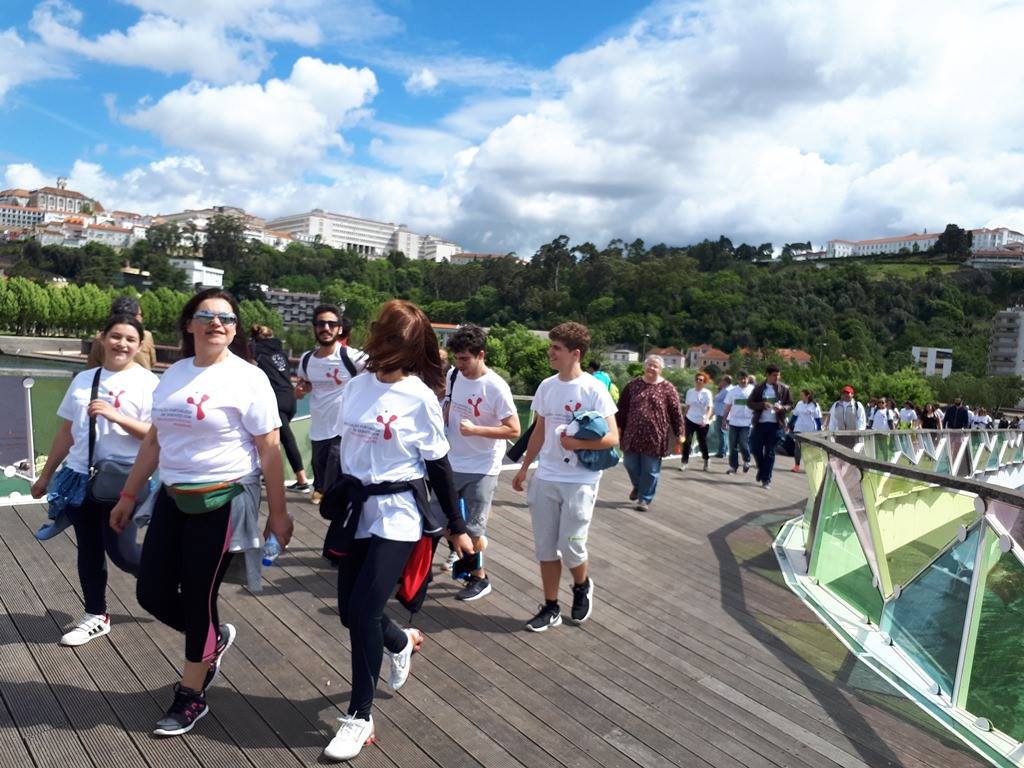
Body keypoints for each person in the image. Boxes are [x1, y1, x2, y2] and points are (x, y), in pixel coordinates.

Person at [109, 288, 293, 738]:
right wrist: (128, 496)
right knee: (151, 592)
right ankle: (212, 638)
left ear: (235, 328)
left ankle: (191, 694)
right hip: (172, 497)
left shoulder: (248, 378)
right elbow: (155, 439)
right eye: (207, 315)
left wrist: (279, 513)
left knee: (197, 595)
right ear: (189, 324)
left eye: (227, 318)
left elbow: (269, 448)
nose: (217, 323)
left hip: (223, 500)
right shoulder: (174, 373)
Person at [323, 300, 472, 762]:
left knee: (365, 610)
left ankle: (360, 717)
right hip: (357, 510)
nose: (391, 348)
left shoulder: (419, 397)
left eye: (401, 342)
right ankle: (401, 641)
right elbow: (340, 446)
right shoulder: (356, 386)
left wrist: (457, 527)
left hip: (398, 513)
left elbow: (439, 465)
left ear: (412, 347)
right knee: (350, 614)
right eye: (387, 337)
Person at [31, 314, 159, 645]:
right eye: (116, 336)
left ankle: (171, 577)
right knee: (88, 548)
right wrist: (45, 476)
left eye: (130, 339)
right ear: (102, 338)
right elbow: (66, 432)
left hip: (124, 479)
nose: (122, 344)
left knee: (123, 554)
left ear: (139, 345)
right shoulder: (84, 379)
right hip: (79, 476)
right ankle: (96, 615)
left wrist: (116, 416)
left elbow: (157, 436)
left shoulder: (149, 383)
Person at [511, 321, 618, 632]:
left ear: (576, 354)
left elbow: (613, 438)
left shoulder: (594, 389)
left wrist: (578, 444)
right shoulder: (546, 387)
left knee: (571, 546)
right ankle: (551, 606)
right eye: (551, 347)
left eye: (556, 348)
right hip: (546, 476)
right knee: (545, 547)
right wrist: (524, 468)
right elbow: (538, 432)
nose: (551, 353)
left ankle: (582, 585)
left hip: (580, 481)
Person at [443, 324, 520, 601]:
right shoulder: (453, 375)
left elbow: (514, 429)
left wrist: (476, 430)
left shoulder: (496, 387)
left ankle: (479, 578)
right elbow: (449, 405)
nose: (459, 364)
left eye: (465, 358)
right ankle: (468, 555)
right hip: (452, 461)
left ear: (481, 355)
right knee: (438, 521)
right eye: (456, 358)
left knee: (473, 529)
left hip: (482, 467)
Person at [295, 305, 367, 503]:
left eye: (331, 324)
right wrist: (301, 390)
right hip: (318, 430)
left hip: (344, 430)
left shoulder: (352, 357)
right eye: (320, 324)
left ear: (339, 329)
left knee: (335, 479)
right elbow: (305, 384)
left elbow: (380, 374)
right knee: (321, 476)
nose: (326, 328)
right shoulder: (307, 359)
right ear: (314, 328)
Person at [616, 355, 683, 511]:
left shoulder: (668, 388)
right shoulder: (632, 385)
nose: (652, 368)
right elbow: (622, 408)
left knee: (651, 470)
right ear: (644, 367)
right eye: (649, 365)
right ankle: (638, 486)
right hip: (631, 434)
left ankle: (644, 499)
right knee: (629, 463)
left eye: (655, 366)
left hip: (655, 436)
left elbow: (676, 412)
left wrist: (680, 432)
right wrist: (618, 427)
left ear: (661, 370)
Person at [251, 324, 311, 492]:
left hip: (275, 400)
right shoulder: (280, 352)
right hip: (290, 398)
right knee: (274, 438)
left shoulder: (257, 352)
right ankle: (268, 474)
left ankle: (302, 480)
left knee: (286, 439)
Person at [747, 365, 792, 489]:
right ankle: (762, 471)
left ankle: (766, 479)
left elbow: (790, 404)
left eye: (778, 375)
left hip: (776, 425)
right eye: (774, 375)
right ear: (767, 375)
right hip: (760, 424)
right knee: (755, 448)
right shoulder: (759, 388)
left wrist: (782, 408)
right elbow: (749, 403)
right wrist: (762, 404)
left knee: (770, 452)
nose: (777, 377)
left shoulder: (784, 389)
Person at [86, 296, 158, 369]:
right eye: (139, 315)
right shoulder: (147, 336)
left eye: (130, 340)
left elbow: (92, 364)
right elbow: (153, 362)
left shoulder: (101, 337)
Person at [680, 372, 713, 471]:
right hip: (690, 419)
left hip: (702, 421)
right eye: (697, 379)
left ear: (704, 382)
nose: (698, 381)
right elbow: (688, 406)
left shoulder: (707, 393)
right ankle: (684, 462)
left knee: (702, 442)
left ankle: (706, 459)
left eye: (701, 380)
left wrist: (706, 419)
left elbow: (710, 408)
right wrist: (683, 418)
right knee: (686, 441)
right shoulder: (690, 392)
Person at [723, 371, 754, 475]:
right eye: (741, 378)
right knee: (732, 446)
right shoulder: (732, 391)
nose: (743, 380)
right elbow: (727, 407)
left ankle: (747, 460)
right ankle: (733, 466)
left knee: (743, 443)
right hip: (734, 422)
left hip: (747, 422)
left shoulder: (753, 391)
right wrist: (724, 419)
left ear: (748, 379)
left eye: (745, 378)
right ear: (738, 379)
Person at [789, 389, 822, 472]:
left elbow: (818, 419)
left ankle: (811, 466)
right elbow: (794, 416)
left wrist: (819, 429)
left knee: (810, 448)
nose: (800, 397)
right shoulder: (799, 404)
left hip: (810, 430)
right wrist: (789, 425)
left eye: (802, 395)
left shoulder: (814, 405)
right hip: (799, 428)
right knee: (797, 447)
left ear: (808, 396)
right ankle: (797, 466)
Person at [712, 375, 733, 459]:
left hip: (722, 414)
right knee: (725, 433)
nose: (720, 382)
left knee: (721, 432)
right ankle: (725, 450)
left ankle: (722, 452)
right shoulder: (731, 389)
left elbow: (716, 398)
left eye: (722, 380)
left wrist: (719, 389)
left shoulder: (726, 390)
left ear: (725, 381)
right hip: (727, 414)